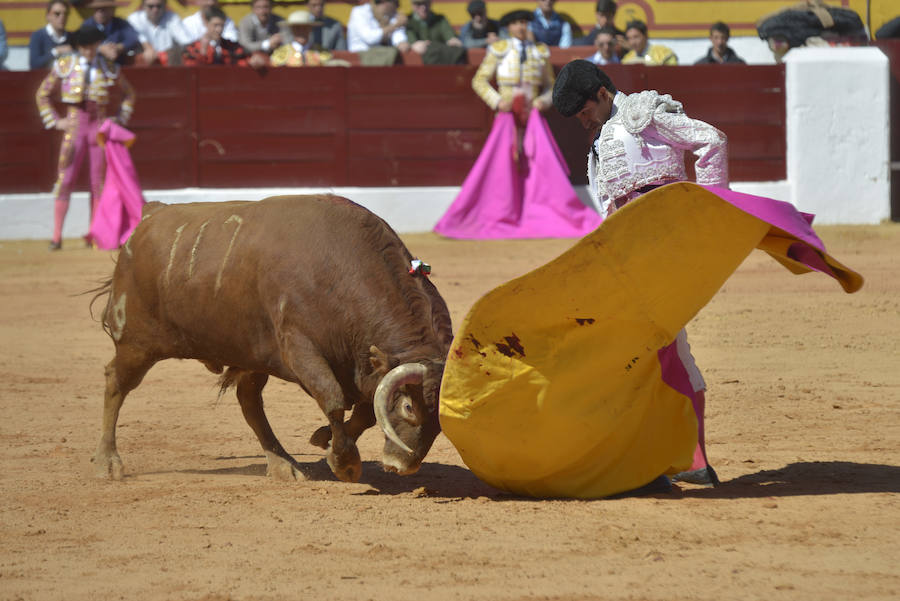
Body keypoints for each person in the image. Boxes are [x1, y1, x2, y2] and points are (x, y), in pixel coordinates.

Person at [551, 59, 728, 485]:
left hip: (660, 249)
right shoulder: (602, 141)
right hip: (626, 257)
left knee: (653, 348)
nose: (583, 122)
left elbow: (711, 141)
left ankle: (682, 458)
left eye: (584, 112)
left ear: (601, 93)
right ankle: (679, 459)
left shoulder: (642, 114)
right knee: (649, 349)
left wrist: (709, 213)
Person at [434, 10, 602, 239]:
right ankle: (504, 210)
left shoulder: (539, 52)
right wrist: (497, 101)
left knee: (537, 164)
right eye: (516, 24)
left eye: (524, 22)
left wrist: (543, 101)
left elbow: (549, 86)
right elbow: (479, 80)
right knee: (502, 166)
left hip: (532, 118)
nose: (521, 27)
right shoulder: (499, 50)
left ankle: (534, 210)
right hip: (507, 118)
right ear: (509, 28)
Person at [35, 24, 136, 251]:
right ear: (79, 46)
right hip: (74, 128)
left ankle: (94, 235)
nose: (90, 51)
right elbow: (42, 94)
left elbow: (129, 94)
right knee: (66, 180)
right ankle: (57, 236)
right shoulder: (64, 65)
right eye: (85, 46)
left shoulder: (108, 67)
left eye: (93, 46)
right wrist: (55, 121)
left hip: (97, 129)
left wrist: (119, 120)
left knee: (97, 184)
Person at [183, 5, 265, 67]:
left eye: (222, 26)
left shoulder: (230, 46)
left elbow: (241, 61)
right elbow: (192, 69)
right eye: (215, 25)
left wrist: (252, 61)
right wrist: (203, 52)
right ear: (206, 23)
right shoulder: (194, 47)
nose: (219, 29)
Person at [127, 0, 193, 66]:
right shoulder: (135, 18)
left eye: (159, 6)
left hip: (167, 65)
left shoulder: (172, 17)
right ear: (143, 6)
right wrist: (147, 47)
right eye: (150, 6)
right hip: (142, 66)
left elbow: (185, 39)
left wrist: (176, 50)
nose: (155, 9)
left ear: (165, 5)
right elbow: (136, 34)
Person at [81, 0, 142, 65]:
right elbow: (81, 44)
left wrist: (119, 47)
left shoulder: (121, 23)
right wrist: (100, 48)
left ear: (112, 10)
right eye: (96, 9)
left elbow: (133, 38)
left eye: (103, 9)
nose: (99, 13)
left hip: (118, 65)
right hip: (94, 66)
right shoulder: (87, 25)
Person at [405, 0, 466, 65]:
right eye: (418, 4)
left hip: (442, 61)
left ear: (430, 3)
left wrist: (452, 39)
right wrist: (413, 44)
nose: (423, 7)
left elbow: (450, 37)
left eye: (426, 3)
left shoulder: (440, 19)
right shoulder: (407, 21)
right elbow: (411, 41)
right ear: (412, 5)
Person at [29, 1, 73, 70]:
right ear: (48, 16)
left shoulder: (71, 36)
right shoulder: (38, 36)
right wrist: (56, 52)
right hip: (44, 79)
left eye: (65, 14)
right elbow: (34, 65)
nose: (62, 17)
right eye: (57, 14)